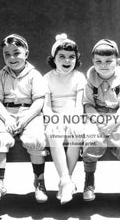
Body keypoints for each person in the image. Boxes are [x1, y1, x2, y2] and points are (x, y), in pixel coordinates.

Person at [0, 34, 48, 206]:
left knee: (36, 138)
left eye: (16, 53)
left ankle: (39, 182)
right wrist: (6, 119)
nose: (12, 58)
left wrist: (26, 118)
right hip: (6, 113)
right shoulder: (0, 75)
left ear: (26, 53)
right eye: (7, 54)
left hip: (29, 113)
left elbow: (39, 100)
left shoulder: (34, 74)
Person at [82, 39, 120, 202]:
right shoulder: (90, 81)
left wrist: (114, 122)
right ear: (93, 62)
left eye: (109, 61)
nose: (103, 65)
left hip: (118, 116)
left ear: (117, 61)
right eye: (98, 61)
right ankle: (89, 180)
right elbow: (88, 105)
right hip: (97, 116)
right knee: (92, 138)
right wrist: (98, 120)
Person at [43, 33, 86, 204]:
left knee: (76, 133)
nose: (67, 61)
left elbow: (79, 106)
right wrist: (53, 119)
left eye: (71, 57)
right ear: (54, 58)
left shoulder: (79, 77)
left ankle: (65, 181)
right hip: (54, 117)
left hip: (74, 116)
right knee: (54, 133)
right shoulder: (47, 78)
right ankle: (67, 181)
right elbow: (46, 106)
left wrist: (73, 121)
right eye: (62, 57)